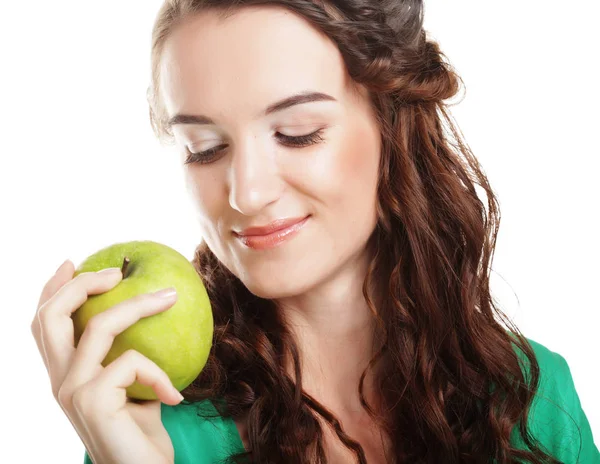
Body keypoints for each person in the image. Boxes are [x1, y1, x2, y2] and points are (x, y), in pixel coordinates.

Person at [30, 1, 599, 463]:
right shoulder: (153, 428)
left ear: (393, 125)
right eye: (205, 149)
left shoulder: (535, 400)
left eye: (297, 133)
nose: (245, 193)